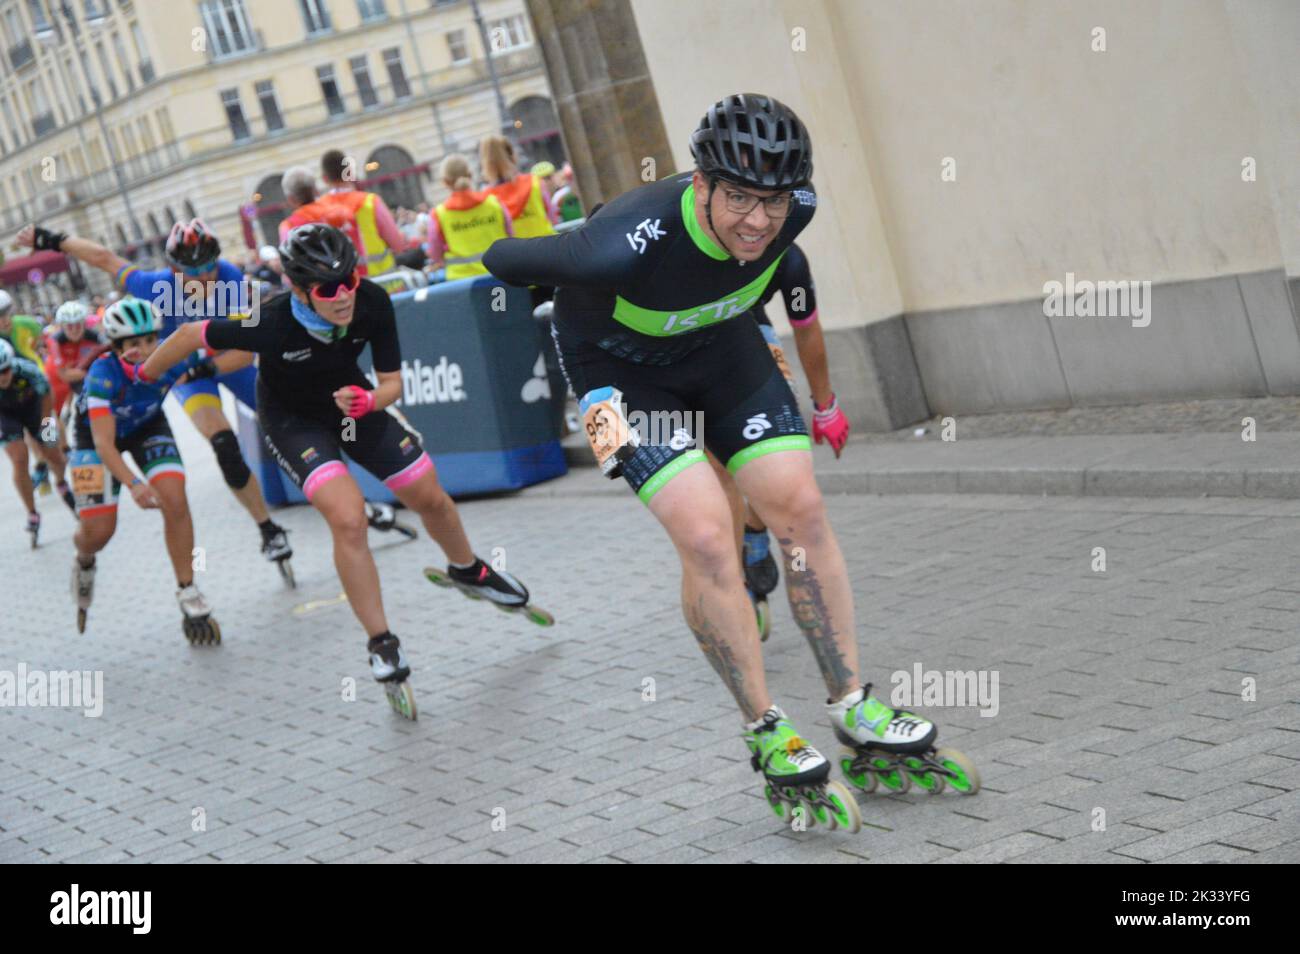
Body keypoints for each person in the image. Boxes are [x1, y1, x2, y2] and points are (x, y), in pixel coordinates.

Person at [484, 93, 979, 830]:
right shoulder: (623, 242)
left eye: (772, 201)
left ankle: (853, 705)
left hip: (722, 349)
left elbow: (787, 265)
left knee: (800, 508)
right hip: (620, 375)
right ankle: (767, 729)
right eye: (739, 198)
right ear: (701, 183)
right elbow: (501, 259)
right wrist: (566, 261)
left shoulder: (797, 212)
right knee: (709, 533)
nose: (757, 220)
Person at [141, 224, 548, 719]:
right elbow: (188, 335)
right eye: (328, 289)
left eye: (349, 280)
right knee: (349, 518)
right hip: (294, 422)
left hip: (353, 405)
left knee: (430, 496)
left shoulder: (372, 301)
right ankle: (382, 643)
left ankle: (469, 569)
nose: (343, 296)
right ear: (298, 290)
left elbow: (393, 382)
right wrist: (142, 379)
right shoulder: (268, 320)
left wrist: (371, 399)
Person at [17, 220, 294, 568]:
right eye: (192, 273)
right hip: (190, 376)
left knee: (289, 421)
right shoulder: (154, 285)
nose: (204, 280)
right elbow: (104, 258)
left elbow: (247, 350)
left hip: (228, 362)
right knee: (225, 445)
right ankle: (268, 529)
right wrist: (52, 239)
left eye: (209, 269)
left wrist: (209, 366)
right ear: (173, 270)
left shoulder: (232, 280)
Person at [66, 297, 231, 642]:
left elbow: (235, 350)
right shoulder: (101, 375)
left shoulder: (170, 357)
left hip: (146, 425)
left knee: (175, 498)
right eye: (133, 344)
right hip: (95, 437)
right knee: (99, 532)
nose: (144, 350)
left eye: (149, 340)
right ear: (116, 346)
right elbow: (104, 445)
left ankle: (187, 589)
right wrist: (134, 483)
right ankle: (83, 557)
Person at [728, 242, 852, 639]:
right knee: (719, 468)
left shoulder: (789, 258)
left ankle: (753, 527)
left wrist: (825, 404)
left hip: (749, 327)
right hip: (685, 337)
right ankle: (731, 577)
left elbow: (807, 328)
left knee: (774, 454)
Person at [278, 153, 409, 282]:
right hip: (383, 280)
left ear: (324, 179)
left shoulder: (295, 223)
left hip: (339, 289)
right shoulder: (365, 203)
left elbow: (290, 273)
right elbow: (397, 244)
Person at [0, 338, 76, 546]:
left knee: (56, 455)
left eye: (5, 370)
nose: (2, 377)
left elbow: (47, 397)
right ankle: (32, 512)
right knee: (19, 460)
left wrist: (46, 425)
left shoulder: (28, 370)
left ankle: (61, 482)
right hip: (6, 417)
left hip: (39, 412)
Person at [428, 154, 513, 281]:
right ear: (470, 175)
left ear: (445, 182)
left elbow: (435, 254)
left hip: (462, 283)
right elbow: (511, 236)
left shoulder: (439, 214)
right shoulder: (494, 203)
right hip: (501, 275)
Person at [44, 300, 108, 455]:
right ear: (61, 326)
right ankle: (55, 448)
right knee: (51, 415)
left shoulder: (94, 336)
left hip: (78, 373)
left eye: (78, 325)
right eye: (69, 326)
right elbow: (64, 376)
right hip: (56, 377)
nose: (74, 330)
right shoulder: (55, 341)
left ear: (84, 323)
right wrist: (89, 372)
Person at [480, 137, 556, 240]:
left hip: (514, 253)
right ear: (513, 156)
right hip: (546, 246)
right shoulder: (535, 182)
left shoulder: (486, 198)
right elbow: (552, 217)